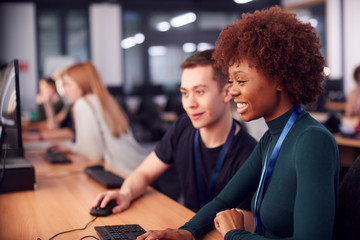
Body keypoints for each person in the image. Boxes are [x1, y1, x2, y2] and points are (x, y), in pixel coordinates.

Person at [138, 6, 339, 240]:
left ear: (281, 80)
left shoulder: (312, 141)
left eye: (241, 80)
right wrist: (186, 232)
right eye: (231, 80)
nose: (232, 91)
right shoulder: (271, 138)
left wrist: (234, 234)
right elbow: (224, 199)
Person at [90, 49, 257, 221]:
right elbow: (144, 174)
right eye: (185, 93)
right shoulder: (183, 127)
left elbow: (246, 224)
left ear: (227, 92)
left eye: (199, 92)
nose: (189, 103)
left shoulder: (250, 154)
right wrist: (125, 194)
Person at [51, 62, 147, 174]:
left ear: (83, 84)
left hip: (123, 172)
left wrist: (72, 149)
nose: (64, 90)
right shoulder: (105, 100)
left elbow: (93, 155)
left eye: (68, 84)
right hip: (140, 166)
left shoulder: (83, 103)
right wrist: (71, 148)